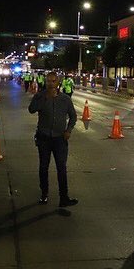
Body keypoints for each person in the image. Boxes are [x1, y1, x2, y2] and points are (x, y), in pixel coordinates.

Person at [29, 71, 78, 207]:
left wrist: (68, 130)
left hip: (60, 140)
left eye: (53, 81)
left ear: (58, 83)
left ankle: (64, 197)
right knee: (43, 167)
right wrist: (44, 98)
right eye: (48, 81)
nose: (51, 84)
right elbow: (31, 109)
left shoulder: (65, 99)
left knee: (61, 168)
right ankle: (44, 194)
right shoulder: (40, 96)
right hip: (44, 138)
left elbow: (73, 116)